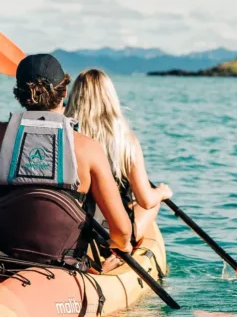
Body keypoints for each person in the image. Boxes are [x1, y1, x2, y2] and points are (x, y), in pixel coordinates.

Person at [0, 54, 133, 271]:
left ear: (18, 94)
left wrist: (0, 129)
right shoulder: (88, 148)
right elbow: (122, 231)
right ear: (65, 92)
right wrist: (121, 248)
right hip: (62, 264)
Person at [64, 69, 173, 269]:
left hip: (71, 234)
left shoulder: (66, 136)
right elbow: (147, 201)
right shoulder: (126, 140)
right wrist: (162, 192)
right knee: (152, 201)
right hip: (111, 238)